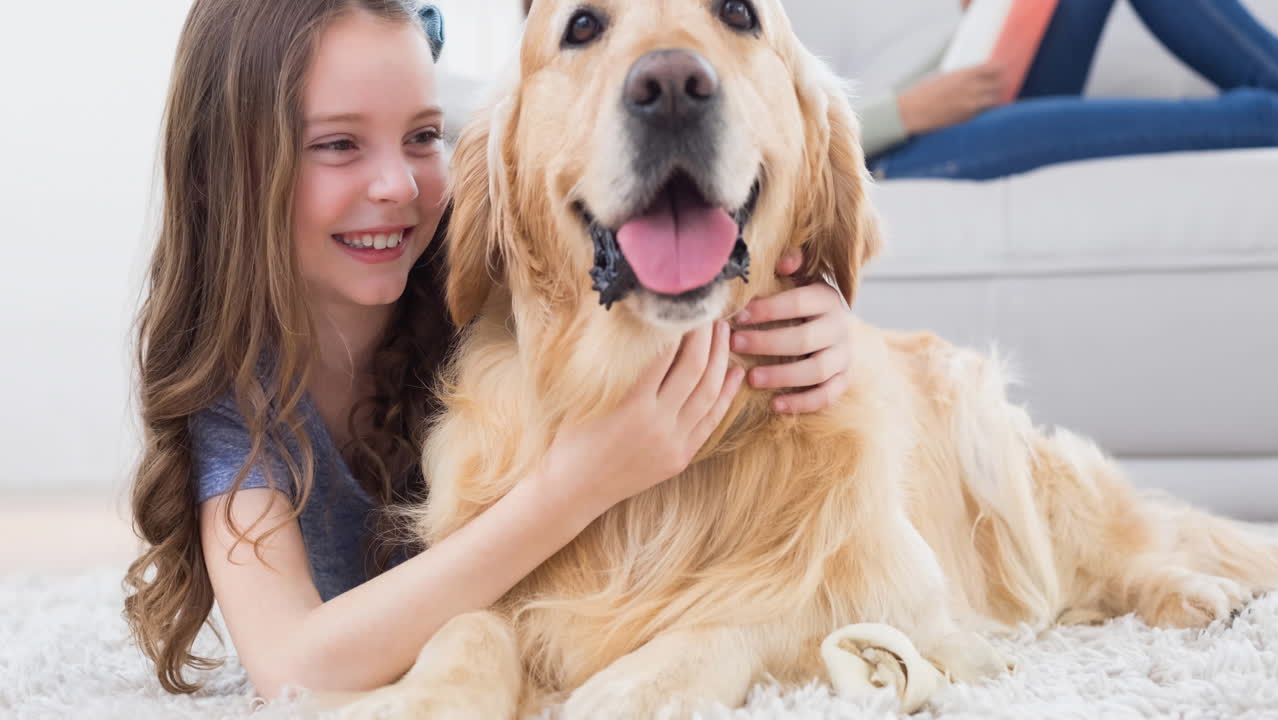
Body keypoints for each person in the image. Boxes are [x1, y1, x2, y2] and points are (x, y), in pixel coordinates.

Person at [123, 0, 856, 698]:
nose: (397, 184)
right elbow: (290, 664)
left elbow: (685, 249)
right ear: (222, 175)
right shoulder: (234, 399)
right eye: (338, 144)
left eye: (423, 136)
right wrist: (578, 484)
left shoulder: (476, 264)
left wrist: (823, 322)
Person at [859, 0, 1278, 180]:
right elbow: (794, 150)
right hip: (881, 164)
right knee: (1265, 115)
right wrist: (905, 111)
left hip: (925, 110)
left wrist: (985, 29)